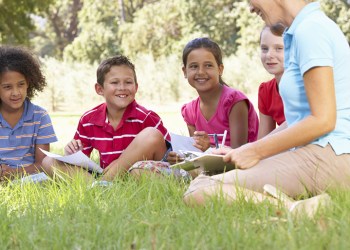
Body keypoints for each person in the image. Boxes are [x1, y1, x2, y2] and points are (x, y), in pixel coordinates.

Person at [183, 0, 350, 216]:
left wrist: (255, 151)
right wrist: (246, 150)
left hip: (329, 157)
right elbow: (302, 118)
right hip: (319, 153)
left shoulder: (311, 30)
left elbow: (323, 120)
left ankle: (296, 210)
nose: (250, 8)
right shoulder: (301, 30)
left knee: (200, 189)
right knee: (203, 176)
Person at [43, 55, 172, 181]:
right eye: (115, 82)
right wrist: (72, 152)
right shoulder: (88, 120)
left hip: (138, 173)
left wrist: (119, 164)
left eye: (128, 82)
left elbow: (170, 157)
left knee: (151, 135)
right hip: (104, 174)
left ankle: (103, 184)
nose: (122, 88)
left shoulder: (147, 117)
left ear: (136, 87)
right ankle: (99, 185)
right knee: (48, 161)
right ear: (99, 89)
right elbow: (80, 160)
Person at [167, 37, 259, 165]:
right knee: (141, 168)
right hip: (207, 167)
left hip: (239, 166)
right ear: (185, 71)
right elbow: (196, 154)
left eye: (208, 65)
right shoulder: (190, 111)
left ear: (220, 69)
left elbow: (239, 153)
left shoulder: (234, 102)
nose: (201, 72)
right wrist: (181, 157)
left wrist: (208, 149)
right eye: (194, 66)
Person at [0, 46, 57, 181]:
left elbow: (42, 164)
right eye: (7, 87)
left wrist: (14, 172)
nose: (16, 92)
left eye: (20, 84)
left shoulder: (40, 116)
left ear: (28, 84)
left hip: (30, 178)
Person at [257, 25, 286, 139]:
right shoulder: (266, 91)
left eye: (279, 48)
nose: (269, 55)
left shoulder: (305, 84)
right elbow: (263, 139)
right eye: (264, 49)